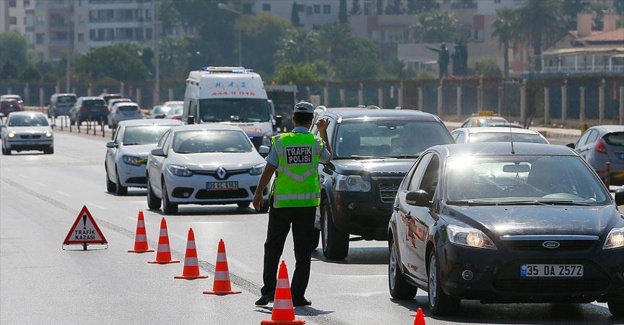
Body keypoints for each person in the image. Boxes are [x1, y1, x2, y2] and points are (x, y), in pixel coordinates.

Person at [252, 101, 332, 307]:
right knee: (303, 252)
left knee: (273, 248)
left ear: (293, 119)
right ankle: (297, 295)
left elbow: (269, 169)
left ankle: (268, 292)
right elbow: (328, 158)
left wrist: (258, 193)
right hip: (306, 206)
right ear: (312, 121)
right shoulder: (315, 142)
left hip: (281, 205)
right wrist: (323, 132)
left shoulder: (280, 141)